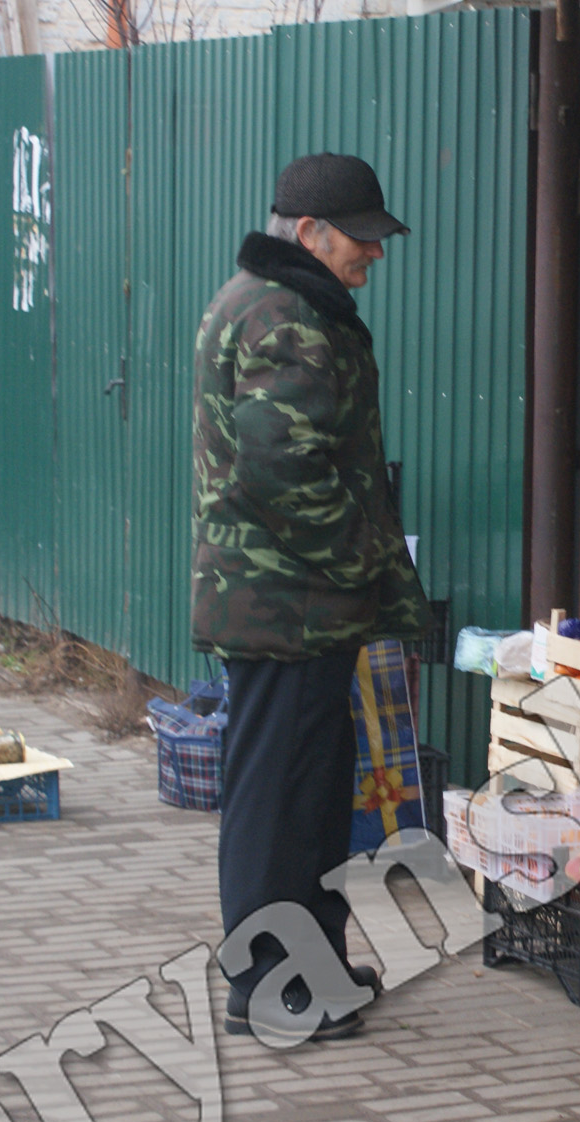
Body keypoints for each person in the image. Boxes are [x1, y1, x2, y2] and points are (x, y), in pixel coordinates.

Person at [191, 153, 432, 1042]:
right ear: (310, 233)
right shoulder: (283, 317)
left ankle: (312, 964)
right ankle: (264, 981)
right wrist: (360, 559)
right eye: (360, 239)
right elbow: (279, 468)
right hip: (286, 603)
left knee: (314, 790)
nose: (374, 253)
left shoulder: (276, 302)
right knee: (278, 800)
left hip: (292, 602)